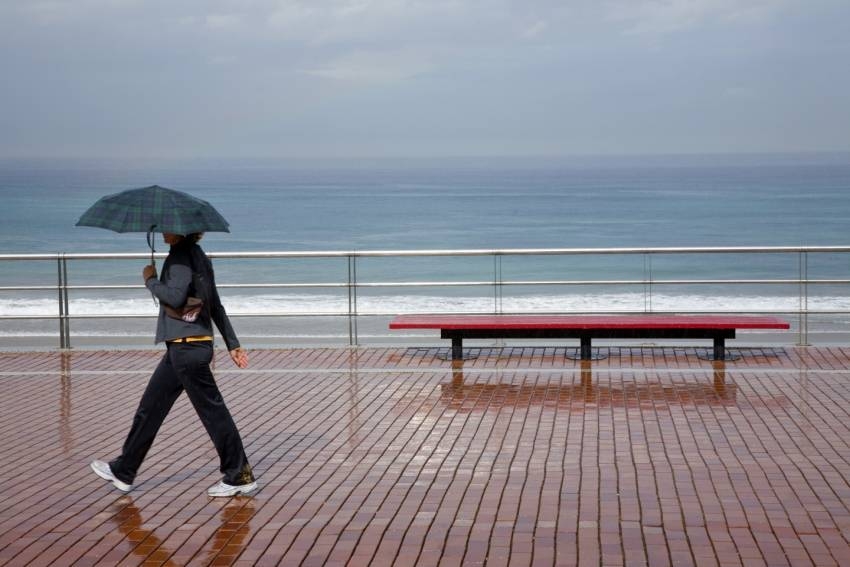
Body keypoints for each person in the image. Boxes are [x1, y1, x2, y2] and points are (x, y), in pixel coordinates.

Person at [91, 232, 256, 497]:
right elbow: (215, 305)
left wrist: (150, 280)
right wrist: (232, 343)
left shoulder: (180, 256)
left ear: (180, 231)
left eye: (166, 228)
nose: (162, 232)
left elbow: (176, 298)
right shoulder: (200, 257)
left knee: (214, 414)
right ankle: (124, 470)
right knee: (150, 408)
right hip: (185, 347)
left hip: (187, 348)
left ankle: (239, 475)